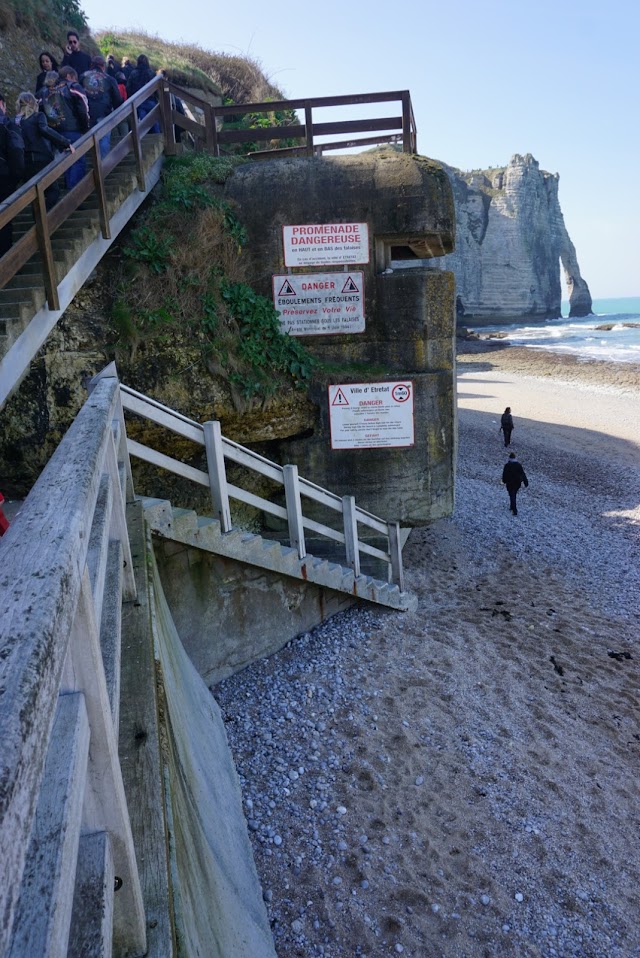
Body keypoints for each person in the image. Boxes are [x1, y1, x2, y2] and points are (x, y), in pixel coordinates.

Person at [15, 92, 75, 208]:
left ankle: (40, 222)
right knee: (53, 191)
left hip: (24, 162)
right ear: (34, 103)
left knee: (35, 196)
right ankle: (46, 220)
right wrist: (65, 142)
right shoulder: (38, 116)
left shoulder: (14, 122)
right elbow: (45, 130)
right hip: (41, 159)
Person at [40, 69, 89, 190]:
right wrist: (85, 128)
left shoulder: (44, 93)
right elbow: (83, 108)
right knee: (77, 160)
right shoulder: (72, 87)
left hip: (54, 131)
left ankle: (70, 190)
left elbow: (40, 112)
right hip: (73, 128)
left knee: (66, 161)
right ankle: (75, 192)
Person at [80, 55, 122, 159]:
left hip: (86, 113)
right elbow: (117, 98)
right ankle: (103, 167)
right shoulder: (109, 79)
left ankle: (90, 167)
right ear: (103, 66)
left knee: (86, 141)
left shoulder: (82, 77)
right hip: (104, 113)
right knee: (104, 139)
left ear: (91, 66)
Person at [0, 95, 25, 256]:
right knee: (4, 219)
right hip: (3, 176)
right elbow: (16, 149)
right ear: (2, 105)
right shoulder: (7, 124)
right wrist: (17, 175)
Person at [126, 54, 160, 133]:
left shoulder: (133, 73)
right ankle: (157, 136)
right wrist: (157, 98)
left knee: (142, 123)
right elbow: (157, 87)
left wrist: (131, 99)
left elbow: (128, 88)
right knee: (154, 120)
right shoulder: (151, 73)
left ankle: (142, 138)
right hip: (151, 100)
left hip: (138, 101)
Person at [502, 451, 528, 516]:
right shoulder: (518, 465)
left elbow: (504, 474)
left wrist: (504, 481)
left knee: (511, 494)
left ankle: (514, 509)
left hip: (510, 482)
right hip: (517, 482)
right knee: (513, 494)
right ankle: (512, 506)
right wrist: (525, 482)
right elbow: (523, 474)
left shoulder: (507, 465)